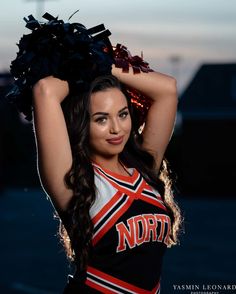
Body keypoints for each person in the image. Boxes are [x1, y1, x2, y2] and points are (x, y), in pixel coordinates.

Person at [8, 13, 182, 293]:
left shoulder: (144, 165)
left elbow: (167, 89)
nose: (116, 128)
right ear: (81, 124)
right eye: (101, 119)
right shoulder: (74, 180)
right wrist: (86, 66)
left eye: (122, 114)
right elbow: (45, 91)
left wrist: (104, 64)